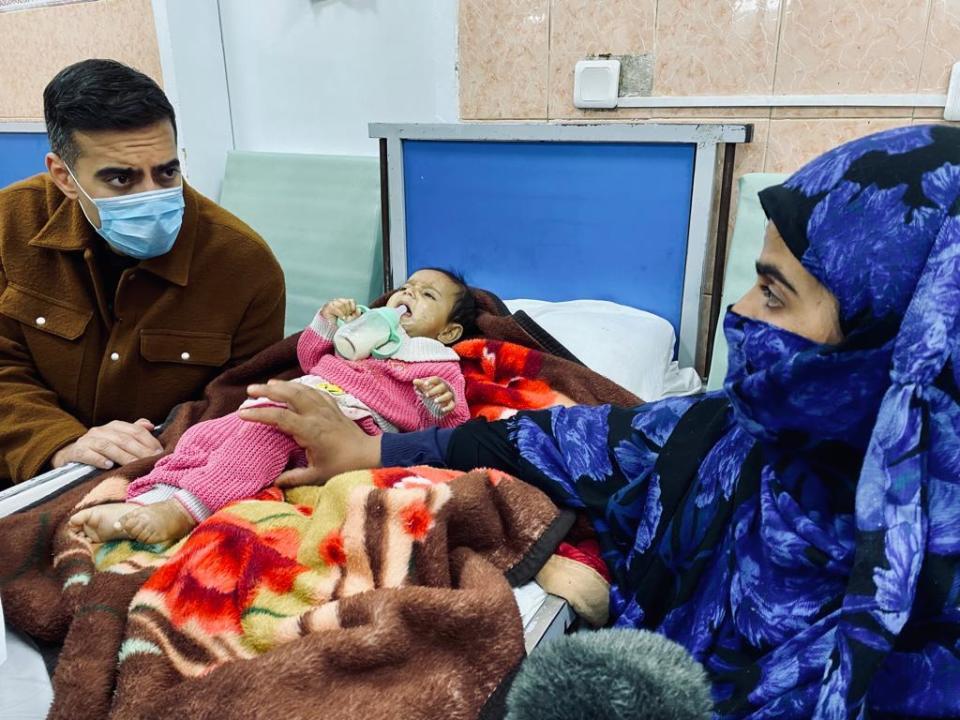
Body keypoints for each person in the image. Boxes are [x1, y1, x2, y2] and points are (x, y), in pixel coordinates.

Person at [237, 125, 960, 718]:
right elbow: (555, 440)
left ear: (898, 338)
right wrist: (373, 447)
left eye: (774, 291)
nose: (736, 311)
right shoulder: (724, 436)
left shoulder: (921, 629)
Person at [0, 59, 285, 486]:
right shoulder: (9, 226)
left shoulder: (245, 268)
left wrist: (143, 464)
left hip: (162, 482)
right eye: (121, 179)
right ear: (63, 176)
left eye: (166, 171)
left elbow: (240, 408)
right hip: (24, 469)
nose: (151, 196)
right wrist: (59, 443)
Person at [70, 268, 476, 543]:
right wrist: (329, 322)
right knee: (207, 431)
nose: (408, 296)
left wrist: (440, 400)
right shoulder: (368, 332)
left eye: (426, 296)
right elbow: (311, 357)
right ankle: (152, 496)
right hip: (305, 399)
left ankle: (186, 511)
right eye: (406, 287)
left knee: (268, 430)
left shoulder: (435, 360)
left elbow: (455, 426)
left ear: (450, 330)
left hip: (351, 428)